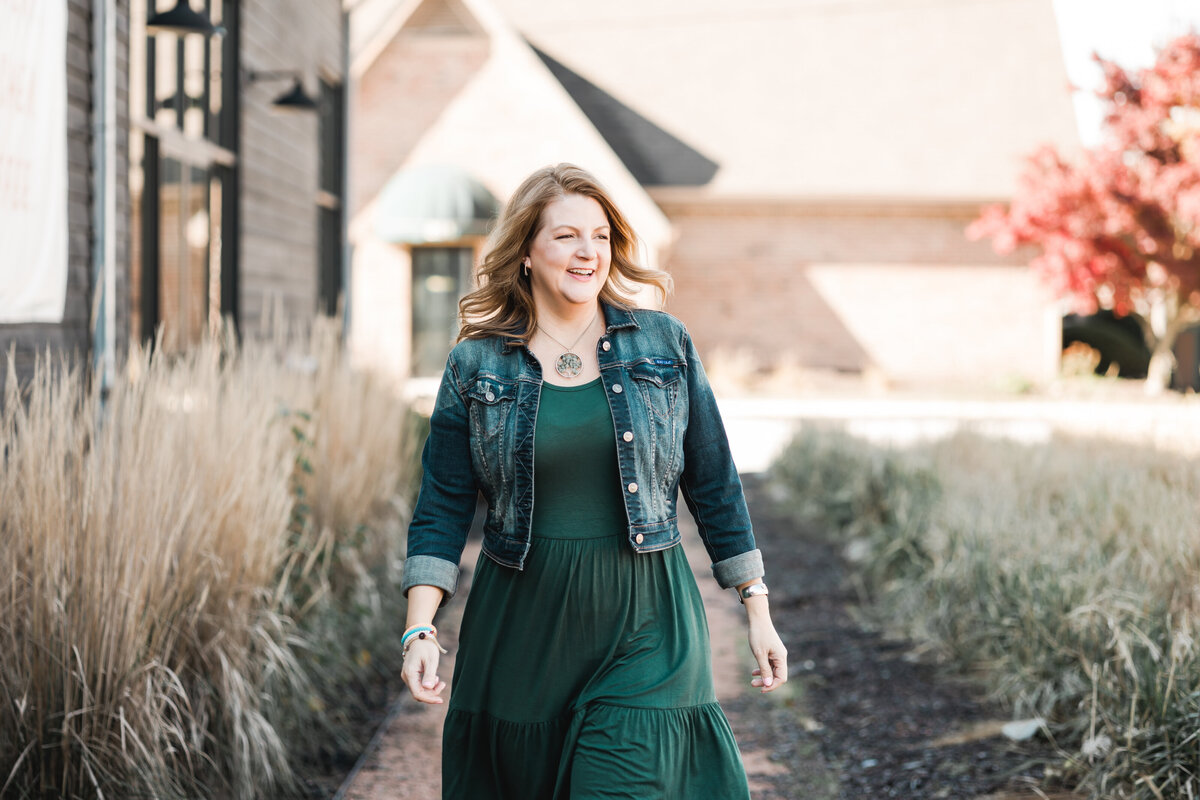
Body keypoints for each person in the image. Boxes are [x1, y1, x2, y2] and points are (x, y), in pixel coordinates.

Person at [400, 163, 787, 799]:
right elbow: (442, 505)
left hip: (646, 616)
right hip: (522, 624)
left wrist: (757, 608)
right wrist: (421, 628)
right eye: (567, 237)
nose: (589, 252)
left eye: (601, 236)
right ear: (526, 252)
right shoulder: (477, 362)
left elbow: (715, 485)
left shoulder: (663, 345)